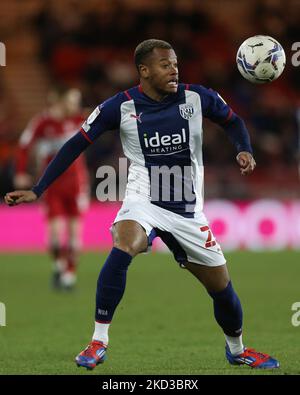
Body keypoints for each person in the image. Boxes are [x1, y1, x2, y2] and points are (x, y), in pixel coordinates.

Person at [5, 39, 279, 370]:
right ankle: (98, 341)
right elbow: (75, 144)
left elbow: (233, 122)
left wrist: (243, 148)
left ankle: (237, 350)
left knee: (222, 289)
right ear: (144, 71)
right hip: (143, 198)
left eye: (175, 63)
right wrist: (39, 188)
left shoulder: (198, 97)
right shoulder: (118, 107)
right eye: (165, 65)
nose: (174, 69)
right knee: (124, 244)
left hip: (188, 210)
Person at [14, 88, 89, 290]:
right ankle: (58, 265)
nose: (76, 105)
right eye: (73, 101)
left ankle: (69, 276)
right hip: (52, 185)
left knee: (75, 232)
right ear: (60, 101)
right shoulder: (42, 123)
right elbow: (23, 146)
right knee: (55, 234)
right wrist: (20, 171)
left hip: (76, 184)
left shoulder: (80, 120)